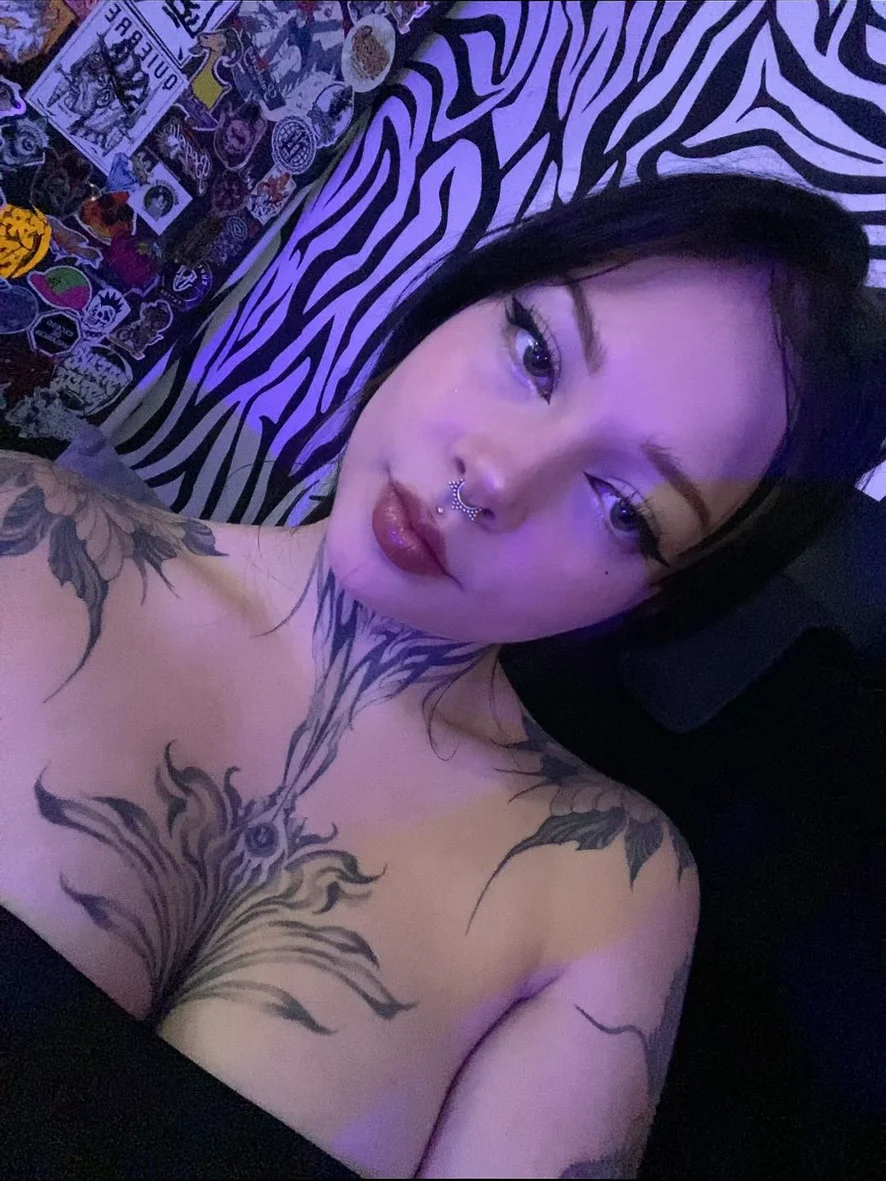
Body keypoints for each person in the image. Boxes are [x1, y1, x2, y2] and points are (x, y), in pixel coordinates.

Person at [1, 170, 884, 1179]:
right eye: (535, 354)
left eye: (623, 507)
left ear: (657, 595)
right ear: (465, 299)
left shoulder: (605, 884)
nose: (499, 476)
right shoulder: (24, 535)